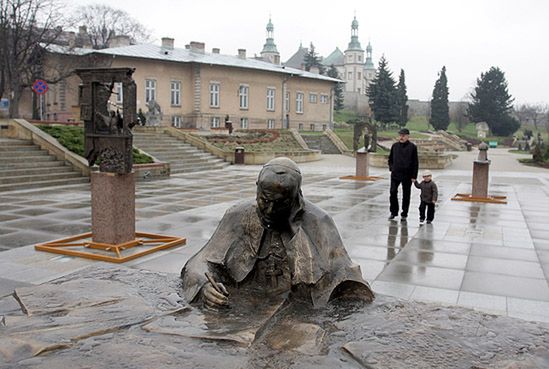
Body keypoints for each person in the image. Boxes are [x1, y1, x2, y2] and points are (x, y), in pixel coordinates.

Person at [180, 157, 375, 309]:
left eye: (281, 203)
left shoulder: (318, 222)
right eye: (265, 200)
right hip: (245, 305)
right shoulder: (237, 215)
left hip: (296, 311)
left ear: (297, 197)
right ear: (257, 189)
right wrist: (205, 285)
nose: (270, 211)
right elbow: (200, 262)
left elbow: (347, 277)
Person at [388, 128, 418, 222]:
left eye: (403, 135)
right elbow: (390, 158)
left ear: (408, 136)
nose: (401, 137)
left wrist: (414, 176)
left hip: (407, 175)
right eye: (400, 135)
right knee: (393, 192)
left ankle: (404, 213)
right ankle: (393, 212)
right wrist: (391, 167)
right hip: (395, 174)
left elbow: (415, 162)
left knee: (406, 195)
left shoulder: (412, 147)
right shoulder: (395, 146)